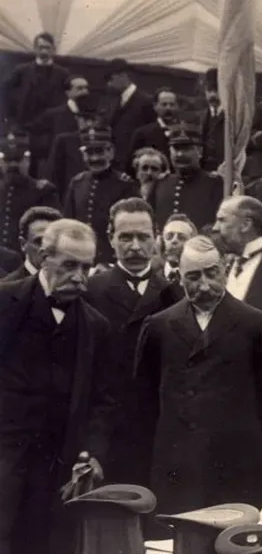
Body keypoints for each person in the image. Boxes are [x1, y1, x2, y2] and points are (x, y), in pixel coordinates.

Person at [0, 219, 114, 554]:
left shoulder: (96, 327)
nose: (79, 278)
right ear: (43, 258)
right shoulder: (3, 305)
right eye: (69, 266)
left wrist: (93, 451)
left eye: (86, 268)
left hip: (54, 477)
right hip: (2, 464)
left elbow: (106, 402)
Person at [135, 236, 262, 514]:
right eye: (193, 277)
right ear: (179, 277)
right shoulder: (159, 327)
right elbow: (143, 407)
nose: (204, 285)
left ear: (225, 268)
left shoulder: (256, 324)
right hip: (178, 469)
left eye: (212, 273)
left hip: (238, 468)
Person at [85, 198, 180, 486]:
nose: (135, 246)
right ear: (111, 239)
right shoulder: (91, 292)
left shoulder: (174, 293)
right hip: (109, 432)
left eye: (143, 237)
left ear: (157, 238)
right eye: (125, 237)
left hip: (160, 430)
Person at [63, 127, 140, 266]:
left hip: (110, 260)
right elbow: (68, 223)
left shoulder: (125, 185)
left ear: (110, 152)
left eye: (99, 151)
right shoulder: (77, 183)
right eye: (89, 152)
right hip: (80, 257)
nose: (94, 158)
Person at [150, 117, 224, 232]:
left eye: (186, 149)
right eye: (176, 148)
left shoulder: (214, 184)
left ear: (200, 151)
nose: (180, 154)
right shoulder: (160, 183)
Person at [0, 131, 60, 254]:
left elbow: (54, 230)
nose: (13, 165)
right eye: (8, 160)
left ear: (27, 160)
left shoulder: (43, 191)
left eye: (17, 160)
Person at [3, 32, 72, 131]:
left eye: (47, 47)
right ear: (35, 48)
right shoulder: (21, 71)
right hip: (25, 125)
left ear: (53, 50)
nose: (44, 51)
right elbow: (6, 91)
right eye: (41, 47)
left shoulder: (63, 74)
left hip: (53, 127)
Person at [105, 59, 156, 168]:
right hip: (116, 161)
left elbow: (151, 131)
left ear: (122, 76)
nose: (109, 84)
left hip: (136, 161)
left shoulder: (145, 101)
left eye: (111, 79)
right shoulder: (115, 101)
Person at [0, 205, 61, 284]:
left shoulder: (73, 287)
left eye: (54, 242)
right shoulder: (4, 290)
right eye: (40, 242)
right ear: (23, 244)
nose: (46, 249)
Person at [128, 87, 178, 161]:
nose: (168, 108)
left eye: (172, 105)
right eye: (164, 104)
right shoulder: (143, 133)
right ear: (155, 106)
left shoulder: (185, 132)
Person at [159, 212, 197, 284]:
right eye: (169, 237)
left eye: (182, 238)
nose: (174, 241)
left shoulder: (199, 281)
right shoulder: (150, 278)